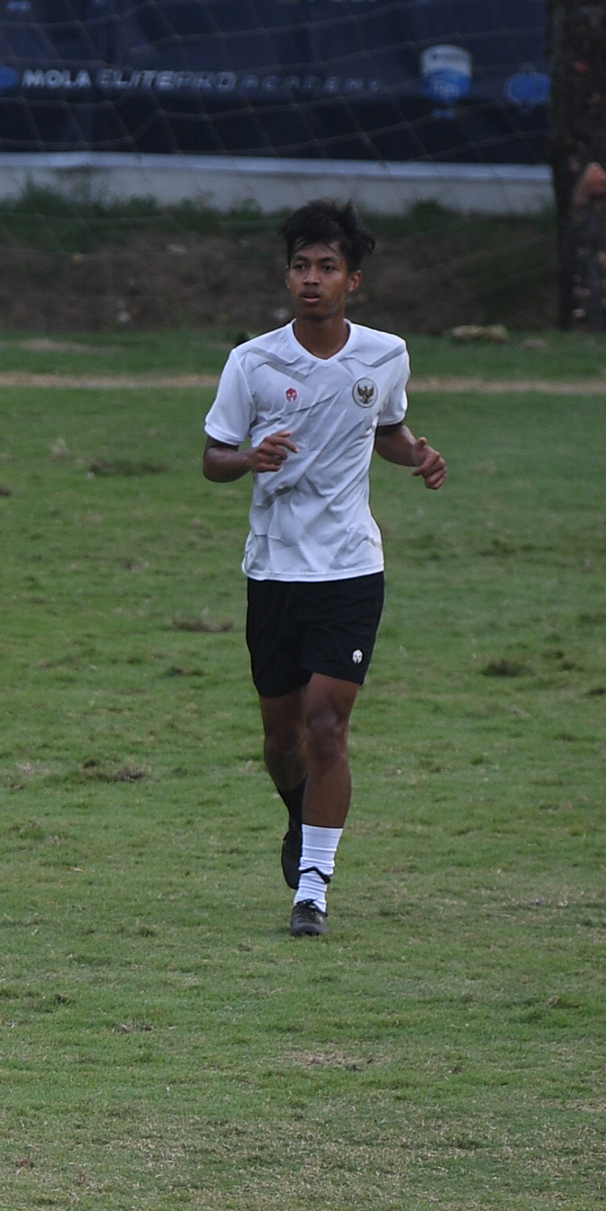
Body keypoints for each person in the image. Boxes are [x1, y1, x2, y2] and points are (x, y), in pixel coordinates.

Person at [197, 198, 448, 938]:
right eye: (301, 266)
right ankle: (299, 818)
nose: (312, 279)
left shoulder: (385, 355)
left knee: (326, 725)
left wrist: (418, 456)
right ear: (287, 276)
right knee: (282, 741)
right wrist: (248, 457)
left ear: (353, 281)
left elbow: (389, 428)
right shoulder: (253, 362)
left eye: (327, 267)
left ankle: (313, 886)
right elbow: (212, 458)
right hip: (273, 571)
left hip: (349, 567)